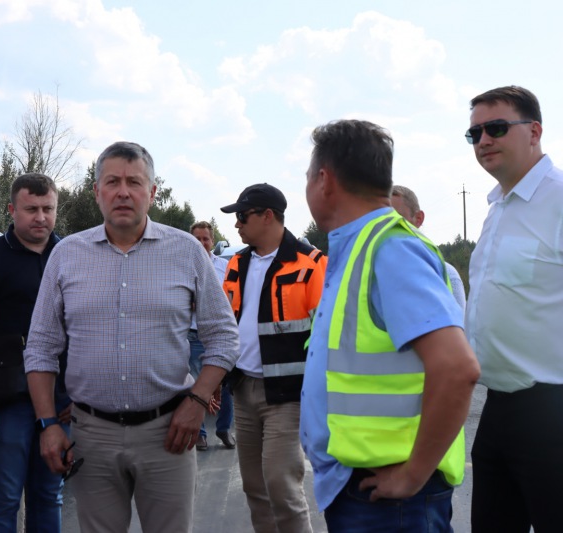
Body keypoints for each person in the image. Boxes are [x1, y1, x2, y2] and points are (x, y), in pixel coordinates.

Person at [25, 141, 240, 533]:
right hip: (92, 436)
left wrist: (196, 401)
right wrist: (47, 423)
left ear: (152, 192)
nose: (123, 192)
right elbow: (40, 347)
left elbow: (224, 336)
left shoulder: (187, 252)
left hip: (169, 433)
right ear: (96, 192)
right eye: (112, 182)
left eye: (134, 182)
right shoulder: (67, 255)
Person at [301, 119, 480, 532]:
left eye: (308, 176)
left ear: (324, 180)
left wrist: (412, 475)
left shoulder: (390, 249)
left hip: (393, 501)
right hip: (366, 490)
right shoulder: (361, 248)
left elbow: (458, 368)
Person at [464, 85, 563, 532]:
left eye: (497, 128)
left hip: (553, 410)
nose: (484, 140)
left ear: (534, 132)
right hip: (498, 407)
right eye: (475, 133)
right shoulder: (498, 207)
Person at [0, 172, 71, 532]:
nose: (40, 217)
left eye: (47, 209)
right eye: (31, 209)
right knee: (4, 498)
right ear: (12, 209)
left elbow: (89, 330)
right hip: (10, 399)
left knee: (49, 495)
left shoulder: (71, 256)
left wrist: (80, 396)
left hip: (62, 398)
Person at [219, 183, 326, 533]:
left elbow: (326, 335)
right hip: (243, 389)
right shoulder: (237, 263)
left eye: (242, 216)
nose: (237, 224)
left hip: (288, 394)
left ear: (267, 216)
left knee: (281, 484)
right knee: (254, 486)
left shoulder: (312, 264)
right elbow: (226, 321)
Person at [188, 220, 235, 451]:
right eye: (196, 238)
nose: (201, 242)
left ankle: (224, 429)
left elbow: (232, 297)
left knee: (225, 385)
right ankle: (200, 434)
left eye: (205, 238)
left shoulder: (225, 267)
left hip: (220, 334)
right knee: (197, 385)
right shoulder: (183, 265)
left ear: (212, 240)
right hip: (193, 334)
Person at [390, 185, 466, 309]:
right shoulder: (368, 275)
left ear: (418, 219)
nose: (387, 228)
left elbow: (459, 320)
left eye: (397, 220)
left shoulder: (447, 276)